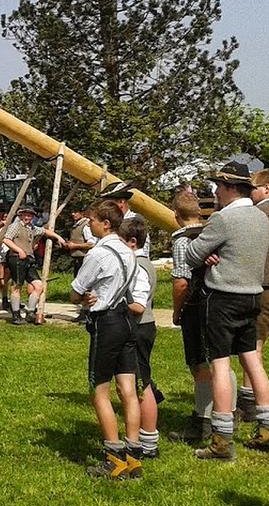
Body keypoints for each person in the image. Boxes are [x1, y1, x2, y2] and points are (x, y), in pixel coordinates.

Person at [184, 162, 269, 459]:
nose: (216, 193)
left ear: (230, 187)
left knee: (221, 365)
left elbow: (193, 255)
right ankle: (268, 427)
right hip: (253, 296)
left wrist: (206, 251)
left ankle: (222, 440)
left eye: (218, 187)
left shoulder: (223, 219)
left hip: (223, 297)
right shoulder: (260, 218)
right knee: (253, 361)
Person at [69, 200, 149, 479]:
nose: (88, 225)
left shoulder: (99, 253)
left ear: (106, 223)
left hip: (106, 323)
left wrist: (83, 297)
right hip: (127, 321)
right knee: (127, 389)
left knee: (99, 390)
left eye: (91, 220)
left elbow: (76, 291)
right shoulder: (129, 253)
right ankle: (134, 455)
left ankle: (113, 457)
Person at [168, 189, 216, 445]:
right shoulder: (212, 233)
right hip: (218, 302)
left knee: (199, 364)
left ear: (176, 215)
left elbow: (181, 283)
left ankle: (202, 420)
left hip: (195, 305)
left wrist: (177, 311)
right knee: (219, 361)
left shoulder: (181, 240)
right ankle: (226, 414)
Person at [120, 217, 161, 459]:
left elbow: (138, 304)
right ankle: (147, 438)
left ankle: (148, 440)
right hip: (143, 325)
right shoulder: (144, 262)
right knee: (141, 382)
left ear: (132, 242)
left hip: (139, 326)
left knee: (142, 384)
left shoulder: (138, 266)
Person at [241, 168, 269, 424]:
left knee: (253, 348)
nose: (251, 194)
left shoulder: (257, 215)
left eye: (254, 188)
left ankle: (250, 403)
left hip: (264, 287)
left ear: (268, 188)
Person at [1, 207, 66, 325]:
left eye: (30, 216)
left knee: (38, 285)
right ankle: (15, 315)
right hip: (16, 258)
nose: (27, 218)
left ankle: (30, 312)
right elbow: (6, 240)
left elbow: (45, 231)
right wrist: (19, 250)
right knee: (17, 286)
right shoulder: (15, 226)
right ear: (21, 216)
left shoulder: (32, 228)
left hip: (29, 259)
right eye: (25, 215)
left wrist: (58, 237)